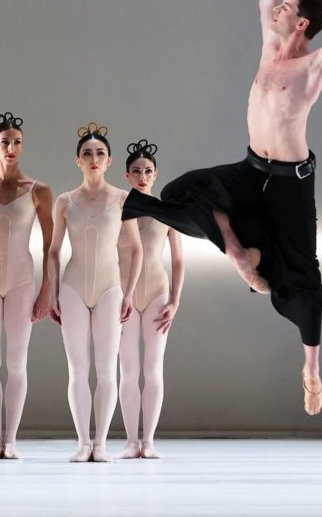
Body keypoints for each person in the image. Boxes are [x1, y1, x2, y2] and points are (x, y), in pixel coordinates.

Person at [123, 0, 322, 415]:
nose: (277, 9)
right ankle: (237, 247)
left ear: (301, 24)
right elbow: (261, 4)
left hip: (291, 183)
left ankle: (311, 371)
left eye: (288, 8)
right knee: (180, 192)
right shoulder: (271, 47)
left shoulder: (312, 69)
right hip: (251, 169)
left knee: (306, 280)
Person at [48, 123, 141, 462]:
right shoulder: (64, 201)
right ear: (78, 161)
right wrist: (53, 293)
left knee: (105, 369)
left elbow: (136, 249)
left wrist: (128, 294)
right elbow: (54, 251)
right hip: (72, 288)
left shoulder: (123, 199)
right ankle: (83, 442)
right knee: (77, 368)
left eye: (100, 153)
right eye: (87, 153)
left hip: (110, 288)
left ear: (110, 159)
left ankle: (100, 443)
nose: (93, 158)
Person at [0, 112, 54, 460]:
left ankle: (12, 440)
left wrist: (48, 289)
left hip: (21, 281)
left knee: (17, 361)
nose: (11, 148)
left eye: (17, 142)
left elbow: (52, 245)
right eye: (5, 142)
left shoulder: (38, 191)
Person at [117, 140, 185, 459]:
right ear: (126, 176)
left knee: (153, 368)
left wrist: (175, 300)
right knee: (128, 369)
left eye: (147, 171)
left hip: (157, 292)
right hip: (123, 296)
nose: (142, 176)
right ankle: (132, 441)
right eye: (136, 172)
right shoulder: (117, 210)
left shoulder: (166, 212)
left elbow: (179, 261)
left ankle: (150, 440)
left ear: (155, 175)